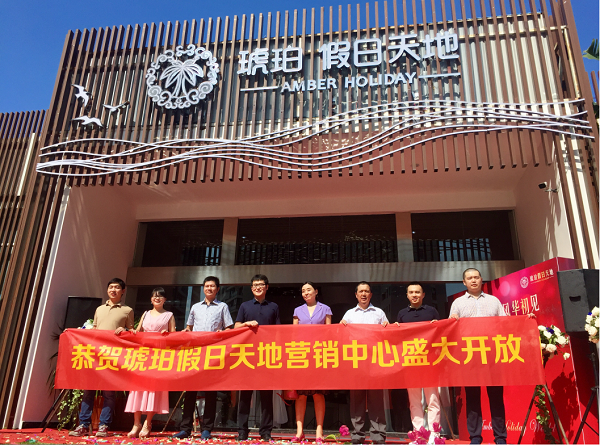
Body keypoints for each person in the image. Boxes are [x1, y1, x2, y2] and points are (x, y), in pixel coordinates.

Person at [69, 278, 134, 437]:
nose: (113, 290)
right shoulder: (99, 309)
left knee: (109, 393)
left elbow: (132, 332)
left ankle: (104, 425)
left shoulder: (127, 310)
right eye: (111, 287)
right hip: (95, 356)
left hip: (112, 357)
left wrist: (124, 330)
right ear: (107, 290)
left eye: (117, 287)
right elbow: (94, 329)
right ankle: (83, 425)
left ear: (123, 291)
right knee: (88, 391)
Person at [449, 268, 508, 445]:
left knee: (496, 398)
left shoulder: (494, 300)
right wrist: (452, 320)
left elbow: (506, 323)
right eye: (469, 278)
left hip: (492, 355)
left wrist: (525, 320)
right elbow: (451, 329)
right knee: (472, 398)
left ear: (482, 279)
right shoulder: (458, 303)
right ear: (464, 282)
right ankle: (475, 437)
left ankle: (500, 438)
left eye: (476, 277)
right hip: (470, 357)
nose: (473, 280)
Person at [173, 276, 234, 440]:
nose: (209, 288)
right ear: (203, 288)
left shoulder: (223, 306)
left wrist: (223, 333)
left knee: (210, 392)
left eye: (212, 286)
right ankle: (185, 428)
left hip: (213, 354)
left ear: (217, 289)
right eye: (207, 286)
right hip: (195, 353)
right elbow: (189, 327)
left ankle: (206, 429)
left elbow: (229, 329)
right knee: (190, 391)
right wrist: (184, 332)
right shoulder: (195, 307)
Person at [340, 281, 389, 445]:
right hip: (356, 363)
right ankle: (357, 435)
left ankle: (378, 435)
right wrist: (341, 326)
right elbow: (341, 335)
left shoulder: (379, 313)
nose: (363, 294)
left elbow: (388, 335)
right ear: (356, 295)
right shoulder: (349, 314)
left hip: (375, 362)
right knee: (357, 400)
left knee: (376, 400)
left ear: (371, 294)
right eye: (360, 291)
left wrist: (386, 326)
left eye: (366, 291)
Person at [235, 274, 280, 442]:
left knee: (266, 396)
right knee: (245, 396)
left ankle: (266, 431)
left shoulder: (274, 307)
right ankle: (242, 430)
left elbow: (278, 331)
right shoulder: (245, 306)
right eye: (255, 285)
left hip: (266, 355)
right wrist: (246, 324)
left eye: (261, 284)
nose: (258, 287)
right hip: (247, 356)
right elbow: (236, 326)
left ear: (267, 287)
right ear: (251, 288)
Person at [395, 282, 441, 439]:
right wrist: (394, 327)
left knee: (432, 400)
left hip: (430, 362)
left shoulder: (432, 311)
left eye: (417, 292)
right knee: (414, 402)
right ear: (407, 295)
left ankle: (434, 435)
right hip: (411, 362)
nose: (414, 295)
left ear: (423, 295)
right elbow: (398, 338)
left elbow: (440, 335)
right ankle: (419, 435)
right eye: (411, 292)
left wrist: (438, 326)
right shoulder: (402, 314)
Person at [291, 282, 332, 443]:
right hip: (302, 355)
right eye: (303, 291)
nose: (306, 293)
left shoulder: (325, 309)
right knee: (301, 394)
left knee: (318, 394)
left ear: (316, 291)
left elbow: (329, 332)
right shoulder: (297, 310)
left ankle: (319, 431)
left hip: (319, 355)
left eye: (308, 290)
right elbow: (294, 334)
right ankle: (299, 431)